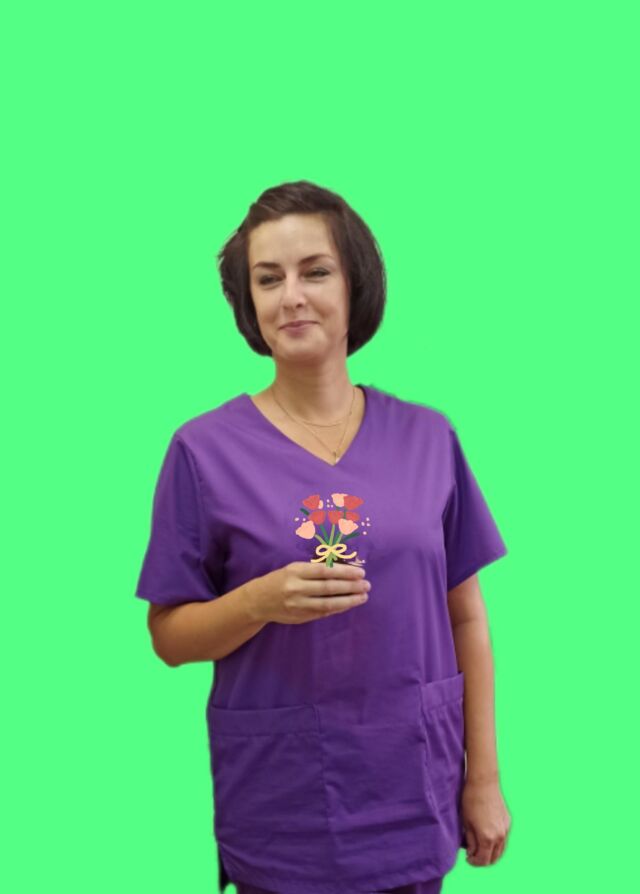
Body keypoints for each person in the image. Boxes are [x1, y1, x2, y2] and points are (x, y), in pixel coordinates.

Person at [134, 180, 512, 894]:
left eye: (315, 271)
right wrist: (258, 603)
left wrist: (483, 779)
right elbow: (169, 638)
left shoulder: (428, 438)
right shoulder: (203, 451)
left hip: (413, 788)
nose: (292, 297)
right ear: (248, 303)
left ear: (354, 284)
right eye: (267, 279)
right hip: (283, 804)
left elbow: (466, 617)